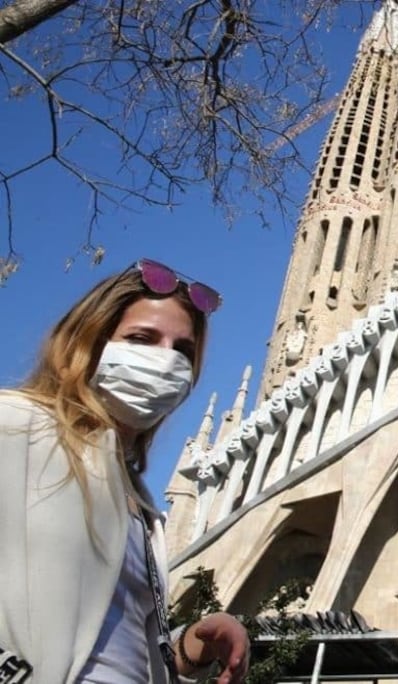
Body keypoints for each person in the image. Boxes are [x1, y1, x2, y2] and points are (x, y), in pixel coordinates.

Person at [0, 259, 250, 682]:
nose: (164, 362)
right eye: (142, 338)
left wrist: (190, 649)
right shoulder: (17, 425)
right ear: (91, 340)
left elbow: (115, 647)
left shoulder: (140, 506)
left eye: (182, 351)